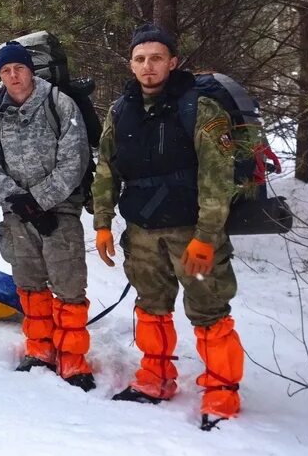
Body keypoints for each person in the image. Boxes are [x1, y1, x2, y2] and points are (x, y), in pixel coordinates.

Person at [92, 24, 244, 429]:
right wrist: (103, 222)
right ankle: (155, 379)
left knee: (208, 312)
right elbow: (107, 169)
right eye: (140, 59)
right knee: (151, 307)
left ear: (172, 62)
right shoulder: (120, 109)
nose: (148, 66)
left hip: (189, 230)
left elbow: (218, 176)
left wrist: (207, 237)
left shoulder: (201, 107)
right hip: (140, 230)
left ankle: (222, 393)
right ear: (131, 64)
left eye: (156, 57)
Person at [0, 41, 95, 389]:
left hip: (60, 209)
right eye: (6, 70)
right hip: (17, 213)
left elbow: (74, 159)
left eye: (19, 68)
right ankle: (39, 348)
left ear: (31, 69)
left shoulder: (59, 103)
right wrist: (18, 201)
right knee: (29, 284)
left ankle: (73, 357)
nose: (13, 76)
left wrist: (41, 200)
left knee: (68, 284)